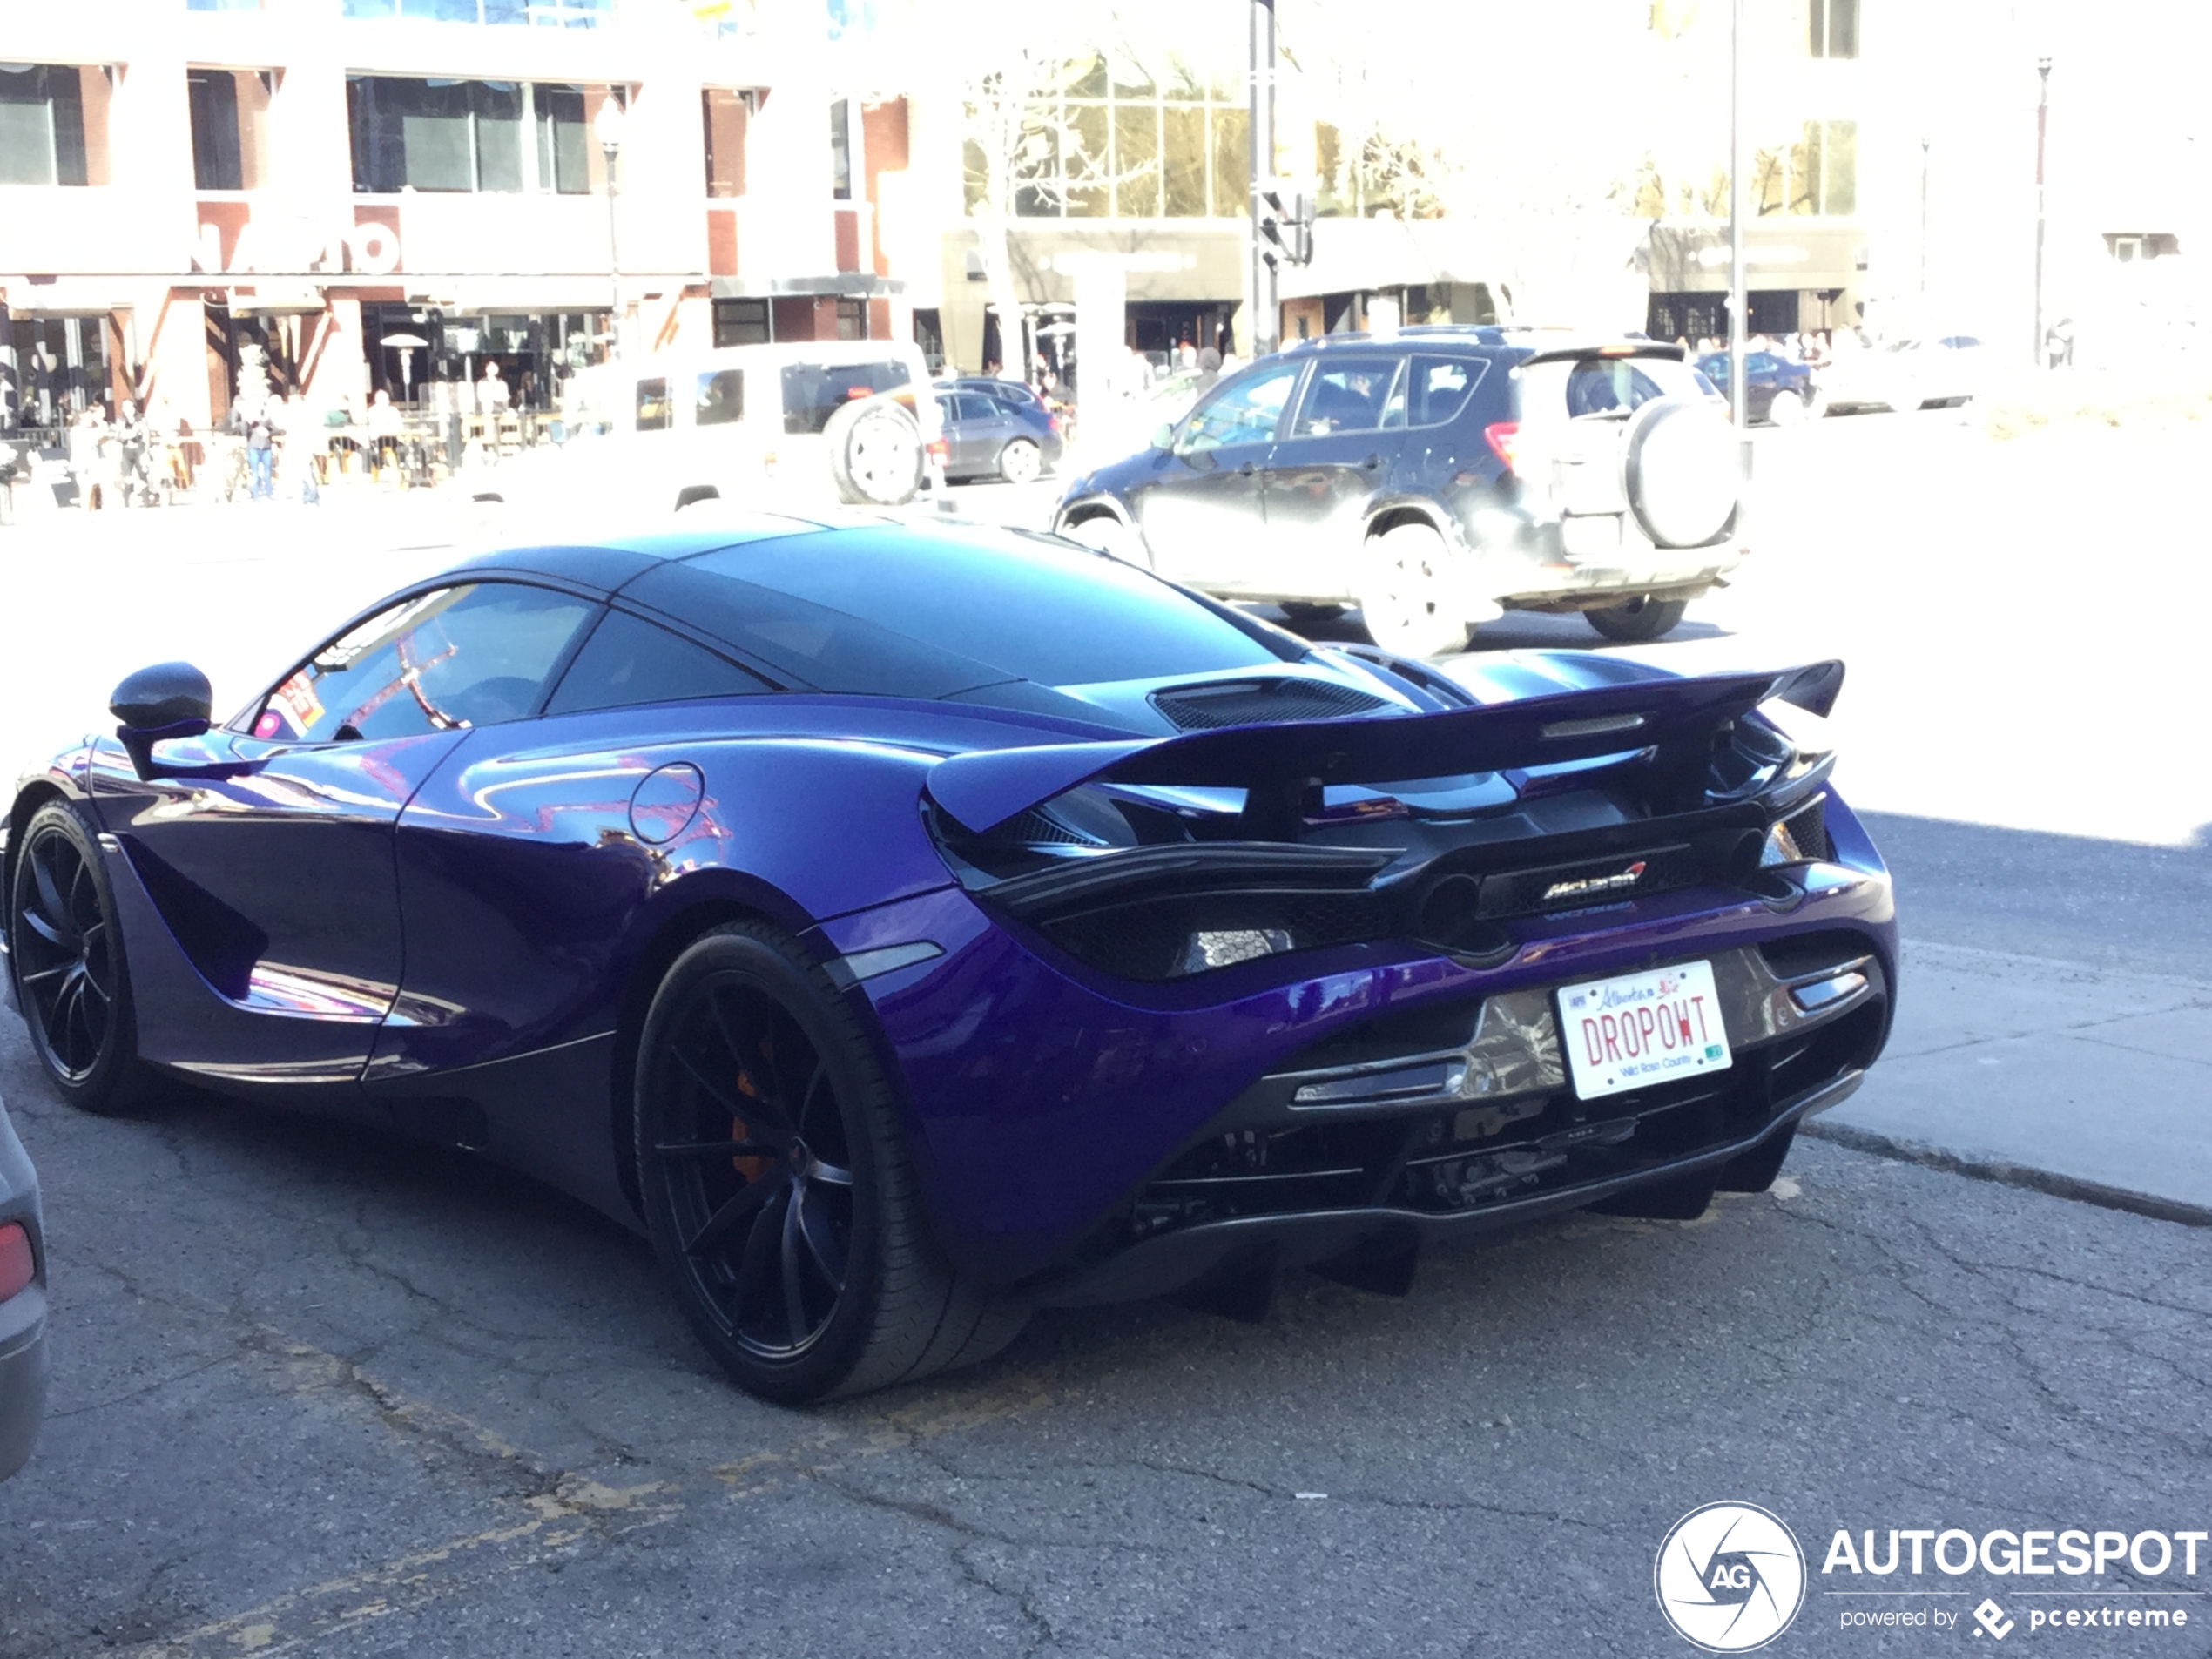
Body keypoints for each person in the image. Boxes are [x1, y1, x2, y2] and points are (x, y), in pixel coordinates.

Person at [367, 388, 402, 478]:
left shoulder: (393, 410)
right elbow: (375, 426)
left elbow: (399, 425)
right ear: (377, 400)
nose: (386, 401)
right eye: (383, 399)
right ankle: (394, 473)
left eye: (386, 398)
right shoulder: (373, 410)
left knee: (403, 448)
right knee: (387, 450)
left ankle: (398, 473)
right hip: (377, 440)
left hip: (392, 438)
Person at [246, 410, 274, 500]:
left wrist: (268, 431)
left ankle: (268, 494)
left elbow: (275, 429)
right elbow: (244, 430)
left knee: (267, 472)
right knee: (255, 472)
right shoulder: (250, 420)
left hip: (266, 448)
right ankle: (255, 495)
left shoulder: (268, 419)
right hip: (254, 448)